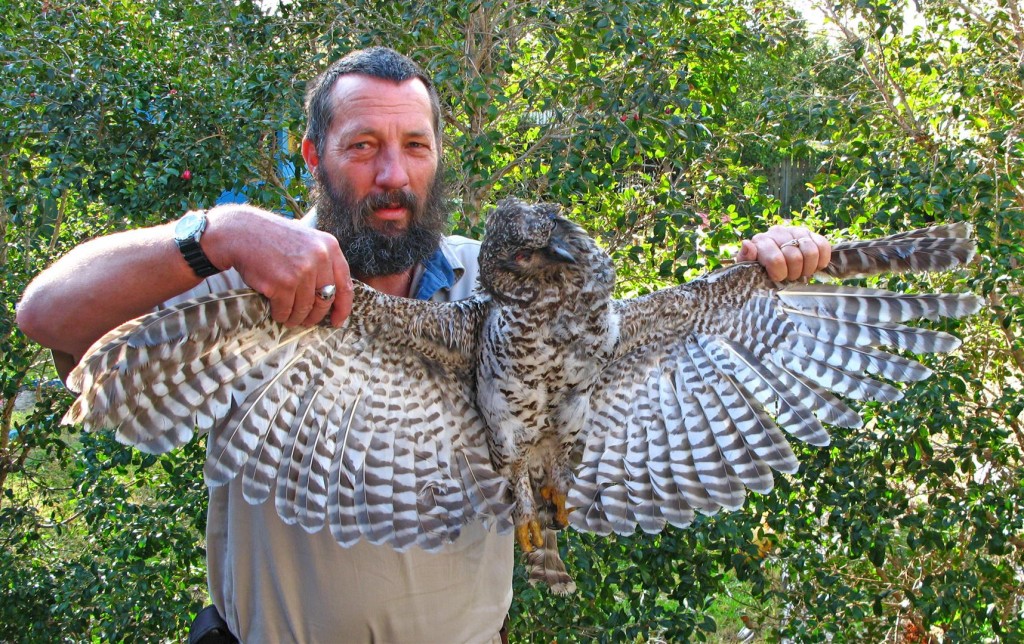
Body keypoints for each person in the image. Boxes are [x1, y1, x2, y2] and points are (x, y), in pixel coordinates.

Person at [16, 47, 831, 643]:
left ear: (439, 159)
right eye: (363, 146)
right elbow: (49, 316)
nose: (392, 176)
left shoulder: (507, 282)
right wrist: (215, 232)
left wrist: (766, 282)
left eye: (414, 147)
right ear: (314, 156)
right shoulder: (254, 278)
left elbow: (613, 386)